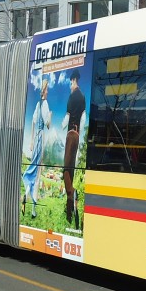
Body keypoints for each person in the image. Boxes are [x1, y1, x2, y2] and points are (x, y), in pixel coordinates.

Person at [22, 80, 51, 217]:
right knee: (37, 174)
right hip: (41, 138)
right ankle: (33, 210)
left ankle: (26, 194)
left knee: (33, 170)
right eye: (47, 89)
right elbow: (48, 124)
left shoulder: (38, 104)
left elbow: (33, 122)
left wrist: (32, 141)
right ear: (44, 90)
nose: (48, 91)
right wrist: (50, 116)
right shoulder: (45, 104)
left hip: (36, 139)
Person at [63, 70, 86, 226]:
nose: (70, 84)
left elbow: (67, 118)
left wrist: (61, 125)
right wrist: (80, 133)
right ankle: (69, 212)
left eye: (71, 82)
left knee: (65, 169)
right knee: (71, 170)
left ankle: (71, 195)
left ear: (74, 80)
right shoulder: (83, 97)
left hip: (70, 133)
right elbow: (83, 118)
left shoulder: (72, 97)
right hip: (77, 134)